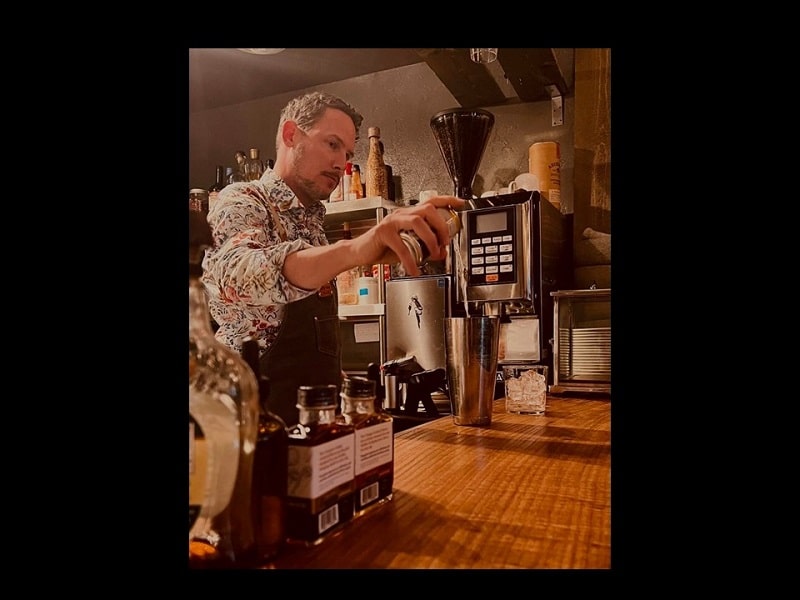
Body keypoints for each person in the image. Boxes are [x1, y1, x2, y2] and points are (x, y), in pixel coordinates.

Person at [202, 91, 465, 426]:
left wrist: (342, 388)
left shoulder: (313, 227)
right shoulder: (242, 200)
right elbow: (235, 274)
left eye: (348, 153)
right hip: (248, 425)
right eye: (332, 144)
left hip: (313, 423)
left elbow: (308, 350)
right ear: (290, 135)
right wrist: (356, 249)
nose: (341, 163)